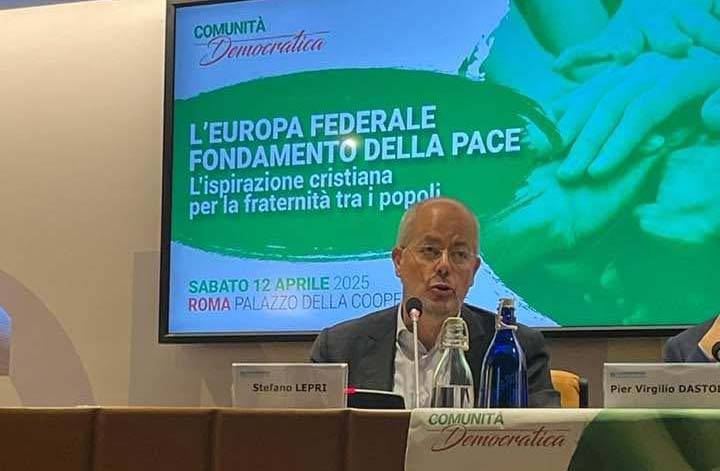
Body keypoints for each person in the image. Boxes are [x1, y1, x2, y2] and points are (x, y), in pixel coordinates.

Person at [310, 197, 559, 407]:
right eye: (430, 250)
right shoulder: (340, 349)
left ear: (474, 270)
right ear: (398, 261)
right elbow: (314, 437)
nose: (444, 266)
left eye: (459, 254)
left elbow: (549, 440)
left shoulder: (515, 348)